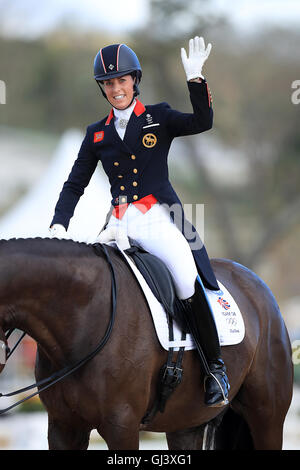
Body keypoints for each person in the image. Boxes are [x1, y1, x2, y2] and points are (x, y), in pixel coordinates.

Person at [49, 37, 230, 407]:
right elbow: (75, 183)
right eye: (108, 83)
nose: (116, 88)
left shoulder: (159, 117)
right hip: (117, 223)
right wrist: (59, 224)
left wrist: (195, 80)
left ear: (135, 81)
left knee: (183, 276)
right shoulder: (95, 134)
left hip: (158, 217)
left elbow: (202, 121)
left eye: (122, 81)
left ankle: (215, 368)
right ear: (102, 88)